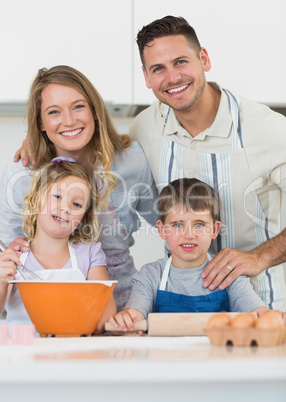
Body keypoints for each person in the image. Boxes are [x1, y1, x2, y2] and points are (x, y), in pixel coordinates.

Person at [129, 15, 286, 310]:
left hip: (261, 308)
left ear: (204, 58)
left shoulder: (268, 129)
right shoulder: (144, 129)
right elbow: (95, 156)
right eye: (158, 68)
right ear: (146, 76)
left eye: (181, 62)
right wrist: (37, 141)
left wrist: (259, 257)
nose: (172, 77)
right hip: (179, 315)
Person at [0, 65, 158, 311]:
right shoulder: (22, 175)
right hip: (42, 311)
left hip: (123, 307)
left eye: (78, 106)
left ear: (94, 109)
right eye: (54, 112)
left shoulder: (131, 161)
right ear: (40, 123)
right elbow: (9, 253)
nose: (69, 120)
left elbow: (168, 222)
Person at [108, 178, 270, 332]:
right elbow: (134, 317)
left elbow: (261, 316)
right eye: (178, 224)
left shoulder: (229, 274)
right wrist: (126, 321)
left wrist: (272, 318)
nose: (189, 235)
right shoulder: (149, 276)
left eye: (199, 224)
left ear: (214, 229)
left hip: (219, 358)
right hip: (164, 359)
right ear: (162, 229)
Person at [0, 158, 116, 333]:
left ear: (83, 217)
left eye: (76, 204)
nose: (65, 208)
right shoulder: (14, 256)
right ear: (36, 198)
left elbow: (106, 314)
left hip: (72, 353)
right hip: (22, 354)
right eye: (57, 196)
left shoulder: (90, 254)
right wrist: (2, 282)